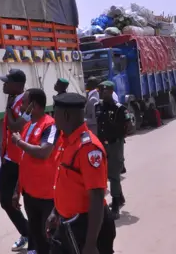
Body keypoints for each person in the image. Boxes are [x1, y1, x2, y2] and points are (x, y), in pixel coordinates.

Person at [47, 93, 116, 254]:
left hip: (87, 226)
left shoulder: (88, 148)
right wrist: (55, 212)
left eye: (54, 113)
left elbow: (97, 197)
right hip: (68, 224)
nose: (53, 117)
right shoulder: (65, 140)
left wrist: (91, 244)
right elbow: (66, 183)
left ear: (66, 115)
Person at [11, 88, 62, 254]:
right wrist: (17, 190)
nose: (22, 106)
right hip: (30, 194)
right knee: (38, 237)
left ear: (34, 105)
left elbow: (44, 152)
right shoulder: (28, 126)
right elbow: (24, 161)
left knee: (50, 237)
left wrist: (19, 143)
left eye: (24, 102)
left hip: (47, 195)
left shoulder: (50, 125)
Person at [0, 69, 31, 251]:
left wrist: (9, 108)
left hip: (22, 161)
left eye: (7, 82)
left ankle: (38, 235)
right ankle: (27, 232)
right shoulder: (12, 101)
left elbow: (15, 126)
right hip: (10, 159)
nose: (4, 85)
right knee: (6, 201)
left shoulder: (27, 102)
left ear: (18, 85)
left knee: (26, 201)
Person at [94, 81, 129, 219]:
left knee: (114, 174)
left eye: (104, 91)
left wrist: (119, 138)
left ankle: (115, 205)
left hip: (115, 144)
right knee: (106, 173)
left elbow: (127, 125)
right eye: (100, 91)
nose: (101, 93)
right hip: (102, 144)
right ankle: (119, 197)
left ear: (110, 91)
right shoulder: (98, 107)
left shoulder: (119, 108)